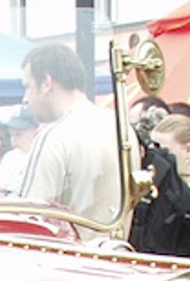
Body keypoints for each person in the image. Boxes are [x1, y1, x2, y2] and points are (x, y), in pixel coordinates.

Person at [18, 41, 121, 230]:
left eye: (28, 86)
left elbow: (28, 218)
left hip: (69, 257)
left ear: (47, 83)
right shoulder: (121, 128)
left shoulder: (54, 136)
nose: (26, 98)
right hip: (116, 254)